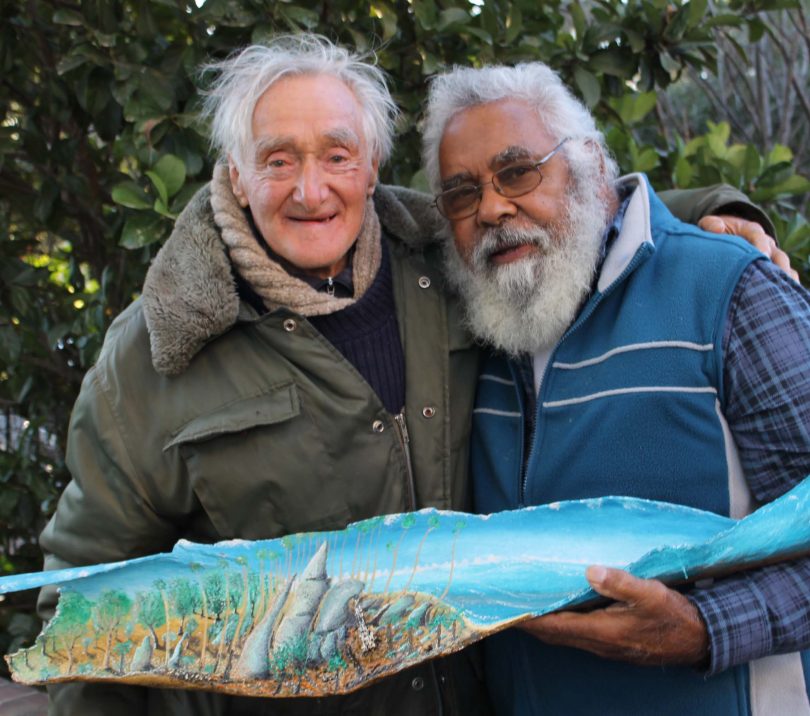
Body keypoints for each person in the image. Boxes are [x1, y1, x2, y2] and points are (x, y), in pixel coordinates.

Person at [37, 35, 786, 716]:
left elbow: (550, 218)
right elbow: (83, 600)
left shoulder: (445, 271)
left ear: (370, 169)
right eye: (277, 159)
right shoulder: (159, 347)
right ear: (235, 174)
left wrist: (708, 215)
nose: (310, 189)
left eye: (336, 155)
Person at [422, 61, 810, 715]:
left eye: (518, 172)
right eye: (462, 193)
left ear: (593, 165)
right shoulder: (478, 333)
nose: (490, 208)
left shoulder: (731, 292)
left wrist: (704, 629)